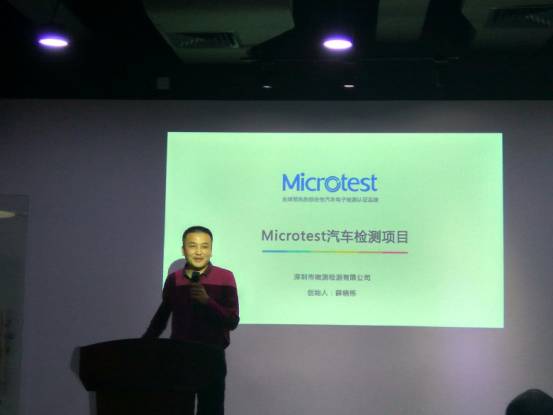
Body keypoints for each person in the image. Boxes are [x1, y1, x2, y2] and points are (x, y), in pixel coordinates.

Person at [143, 225, 239, 415]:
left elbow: (232, 320)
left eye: (205, 246)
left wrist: (207, 301)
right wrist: (144, 344)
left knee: (211, 410)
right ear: (183, 249)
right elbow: (162, 317)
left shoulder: (225, 277)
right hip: (179, 356)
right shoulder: (173, 279)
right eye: (192, 245)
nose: (199, 252)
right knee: (178, 408)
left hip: (211, 356)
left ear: (211, 250)